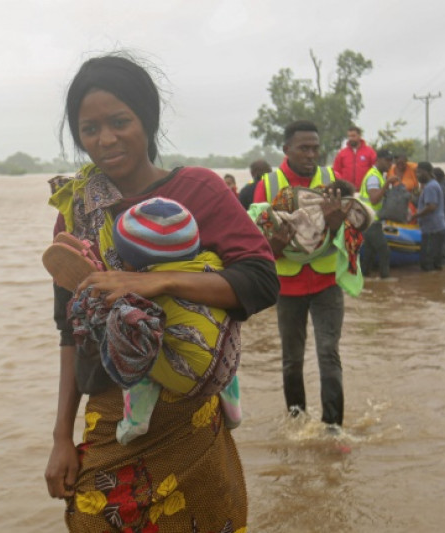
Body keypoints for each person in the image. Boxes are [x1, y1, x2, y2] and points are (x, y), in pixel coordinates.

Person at [44, 53, 278, 532]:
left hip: (186, 415)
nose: (105, 140)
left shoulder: (199, 190)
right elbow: (69, 332)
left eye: (119, 122)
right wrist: (61, 438)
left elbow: (259, 278)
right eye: (89, 129)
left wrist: (160, 280)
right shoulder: (76, 215)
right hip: (111, 417)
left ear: (147, 120)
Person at [59, 196, 243, 446]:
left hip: (187, 379)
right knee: (216, 329)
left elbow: (124, 328)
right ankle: (233, 411)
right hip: (225, 364)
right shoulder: (211, 265)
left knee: (135, 345)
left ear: (131, 261)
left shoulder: (142, 291)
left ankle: (136, 422)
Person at [252, 119, 358, 431]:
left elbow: (348, 236)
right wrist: (278, 243)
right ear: (287, 150)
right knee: (292, 360)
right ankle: (298, 424)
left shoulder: (331, 180)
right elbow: (257, 246)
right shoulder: (268, 185)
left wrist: (337, 222)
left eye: (315, 148)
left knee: (329, 353)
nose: (311, 155)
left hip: (326, 282)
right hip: (287, 286)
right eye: (304, 149)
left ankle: (333, 428)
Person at [359, 149, 396, 278]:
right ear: (378, 159)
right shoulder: (374, 177)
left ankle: (364, 279)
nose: (390, 164)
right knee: (384, 251)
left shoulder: (379, 175)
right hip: (370, 221)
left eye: (391, 161)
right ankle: (385, 280)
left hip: (370, 220)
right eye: (387, 160)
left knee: (369, 252)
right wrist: (387, 185)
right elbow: (374, 199)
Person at [410, 162, 445, 271]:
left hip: (432, 230)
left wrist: (415, 215)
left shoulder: (430, 187)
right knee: (436, 262)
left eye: (419, 172)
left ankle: (431, 286)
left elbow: (431, 206)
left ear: (427, 172)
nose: (417, 175)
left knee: (427, 263)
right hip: (437, 228)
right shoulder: (433, 185)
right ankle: (437, 286)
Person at [332, 125, 377, 190]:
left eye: (353, 136)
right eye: (349, 136)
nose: (351, 138)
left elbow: (375, 170)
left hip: (365, 190)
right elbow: (336, 171)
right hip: (346, 191)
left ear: (359, 136)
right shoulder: (342, 153)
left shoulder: (370, 152)